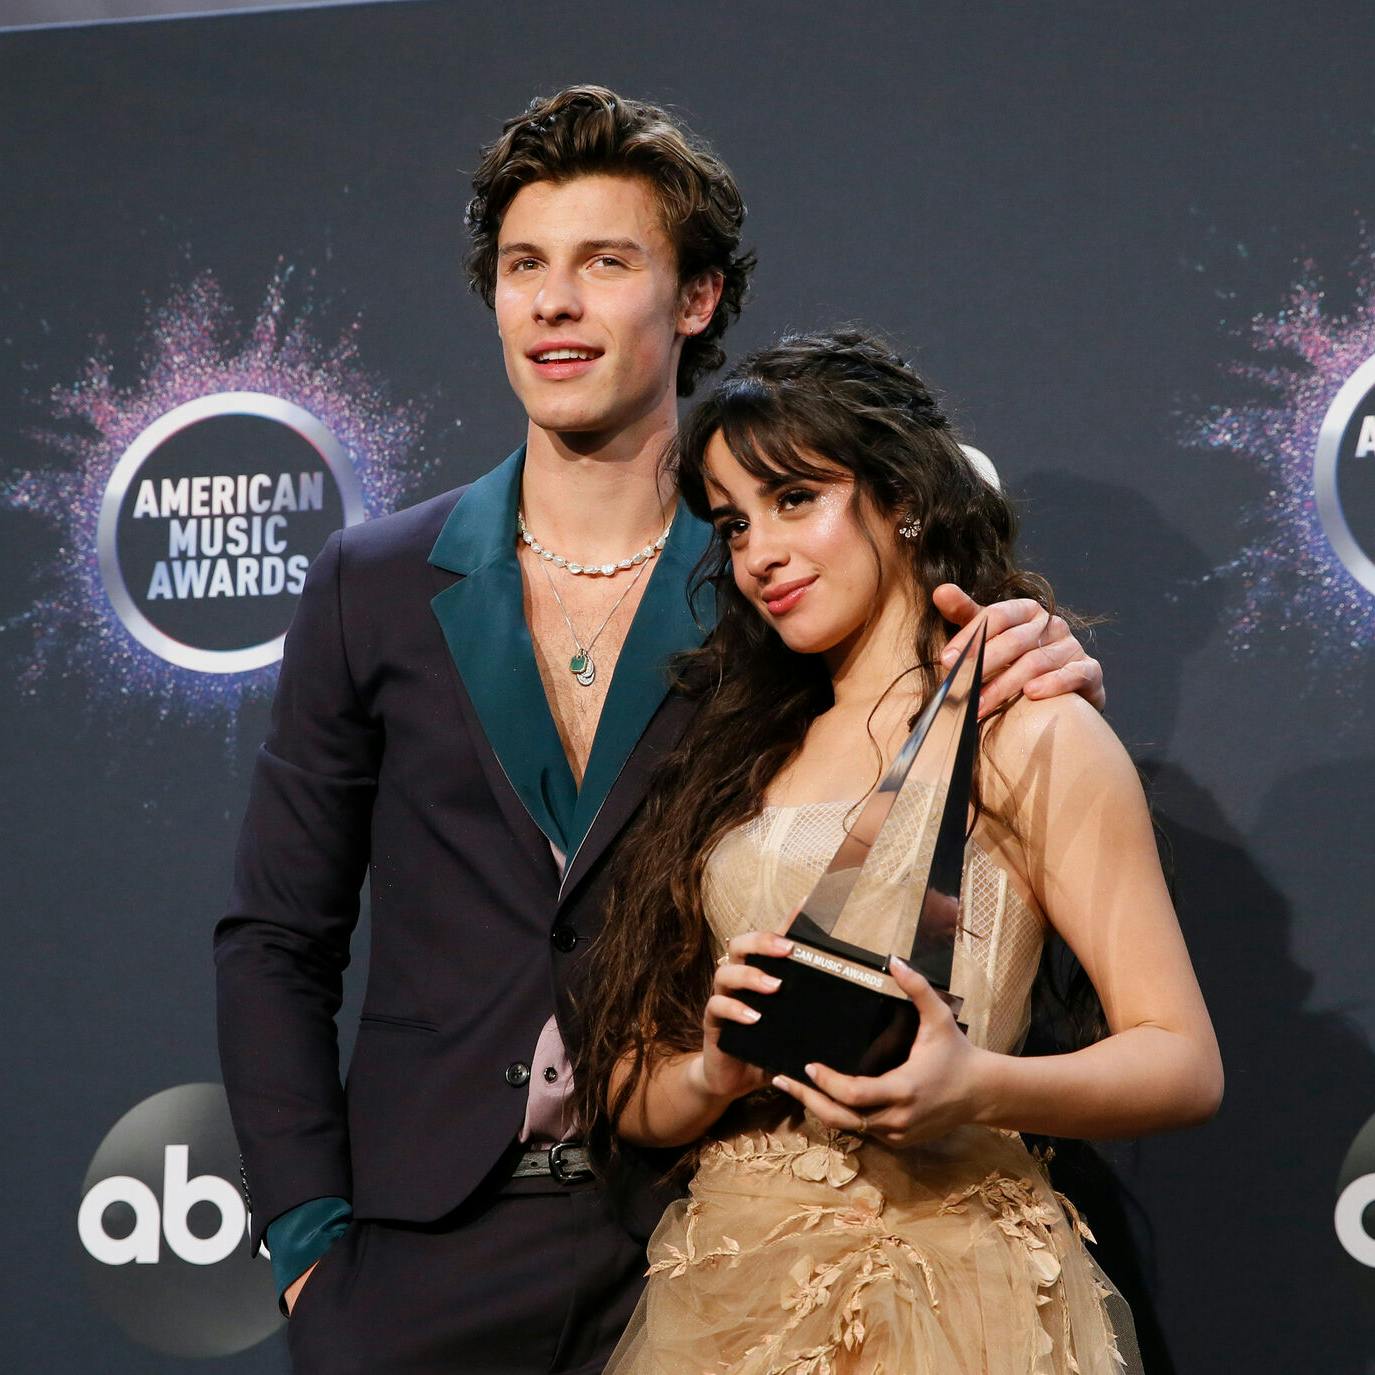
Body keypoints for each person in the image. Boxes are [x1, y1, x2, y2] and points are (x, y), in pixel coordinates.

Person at [214, 89, 1108, 1375]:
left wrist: (1032, 658)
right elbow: (276, 938)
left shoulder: (777, 577)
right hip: (416, 1257)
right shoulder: (376, 580)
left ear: (694, 300)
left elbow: (932, 738)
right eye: (525, 266)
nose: (554, 303)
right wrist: (308, 1242)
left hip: (700, 1237)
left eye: (604, 263)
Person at [575, 330, 1223, 1374]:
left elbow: (1182, 1062)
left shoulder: (1026, 726)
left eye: (795, 499)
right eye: (735, 523)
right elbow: (630, 1082)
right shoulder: (731, 751)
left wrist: (974, 1084)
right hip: (726, 1287)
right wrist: (712, 1072)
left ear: (902, 499)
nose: (760, 554)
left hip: (954, 1282)